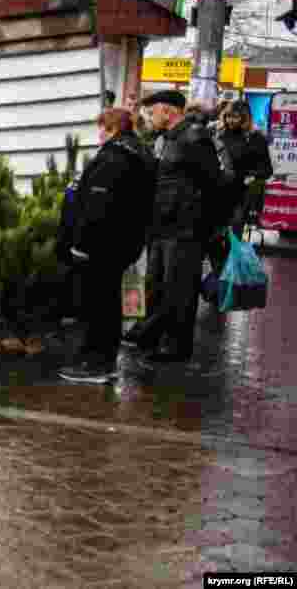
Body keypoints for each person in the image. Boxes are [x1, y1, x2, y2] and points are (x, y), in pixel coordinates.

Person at [123, 92, 226, 364]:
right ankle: (150, 335)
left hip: (185, 229)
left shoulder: (194, 138)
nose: (149, 117)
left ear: (167, 111)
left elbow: (214, 184)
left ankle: (177, 346)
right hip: (161, 226)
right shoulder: (166, 139)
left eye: (152, 112)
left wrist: (205, 226)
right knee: (155, 285)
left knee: (179, 289)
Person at [58, 108, 156, 383]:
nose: (98, 133)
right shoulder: (139, 153)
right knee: (109, 301)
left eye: (101, 127)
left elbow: (98, 206)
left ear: (111, 128)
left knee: (99, 304)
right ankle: (102, 359)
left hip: (103, 246)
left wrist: (81, 243)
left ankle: (96, 363)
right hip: (123, 242)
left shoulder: (114, 158)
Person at [207, 100, 274, 271]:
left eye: (235, 117)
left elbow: (266, 169)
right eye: (228, 116)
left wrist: (251, 176)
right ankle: (219, 275)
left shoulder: (255, 138)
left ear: (245, 118)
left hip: (241, 197)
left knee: (234, 240)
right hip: (217, 195)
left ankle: (230, 276)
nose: (230, 120)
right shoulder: (217, 135)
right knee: (213, 241)